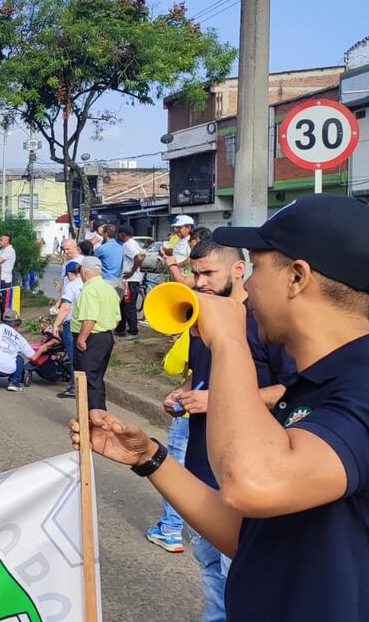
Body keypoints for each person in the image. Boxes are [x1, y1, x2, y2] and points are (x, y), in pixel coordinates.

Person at [71, 194, 369, 621]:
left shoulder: (367, 382)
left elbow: (252, 484)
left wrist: (230, 340)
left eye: (257, 266)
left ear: (297, 277)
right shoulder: (314, 384)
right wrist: (150, 458)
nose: (248, 286)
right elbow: (248, 533)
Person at [144, 239, 296, 617]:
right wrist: (180, 395)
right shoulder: (200, 319)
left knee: (241, 583)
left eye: (209, 273)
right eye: (195, 273)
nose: (199, 283)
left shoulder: (267, 324)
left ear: (239, 270)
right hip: (202, 471)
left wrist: (220, 399)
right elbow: (200, 378)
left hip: (246, 476)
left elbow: (291, 392)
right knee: (212, 577)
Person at [65, 256, 118, 409]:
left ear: (83, 271)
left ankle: (92, 416)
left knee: (87, 379)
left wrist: (82, 338)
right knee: (97, 378)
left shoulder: (89, 290)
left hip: (90, 338)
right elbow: (116, 319)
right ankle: (100, 412)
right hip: (106, 336)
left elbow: (90, 318)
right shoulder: (109, 288)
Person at [0, 310, 36, 392]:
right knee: (19, 359)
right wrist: (44, 347)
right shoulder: (19, 337)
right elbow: (32, 356)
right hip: (8, 370)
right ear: (16, 323)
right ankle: (14, 383)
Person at [117, 227, 146, 340]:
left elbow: (138, 258)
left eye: (119, 235)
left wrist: (132, 272)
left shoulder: (127, 244)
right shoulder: (134, 243)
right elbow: (143, 255)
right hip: (133, 279)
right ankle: (121, 327)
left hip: (130, 280)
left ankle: (133, 331)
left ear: (122, 234)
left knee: (129, 305)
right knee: (123, 304)